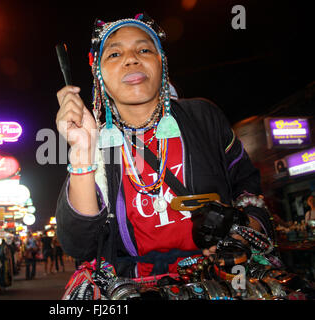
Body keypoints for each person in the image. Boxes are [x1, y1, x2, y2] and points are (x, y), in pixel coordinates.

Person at [55, 13, 275, 278]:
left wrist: (241, 233)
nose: (131, 59)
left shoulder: (203, 117)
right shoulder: (97, 144)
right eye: (114, 54)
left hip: (217, 279)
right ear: (97, 73)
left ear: (162, 62)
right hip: (134, 287)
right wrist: (82, 150)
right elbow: (79, 244)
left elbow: (247, 187)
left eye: (144, 49)